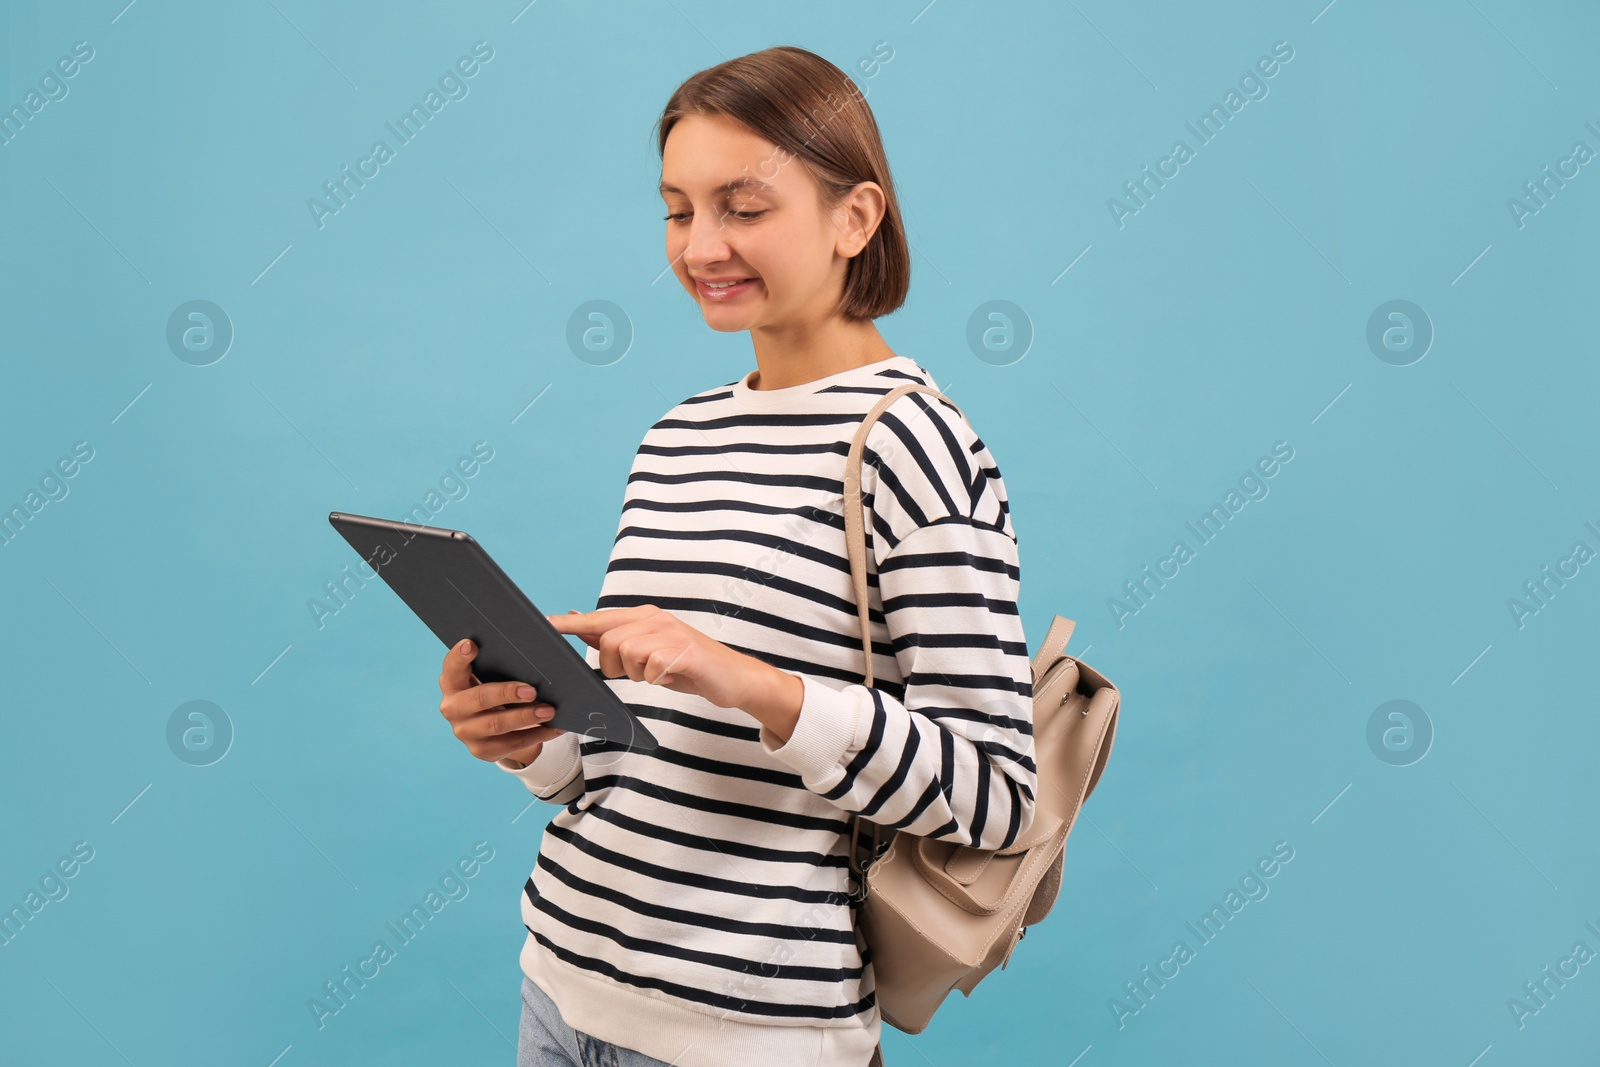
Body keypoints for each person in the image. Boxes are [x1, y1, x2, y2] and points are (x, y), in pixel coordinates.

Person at [436, 45, 1035, 1067]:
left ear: (855, 217)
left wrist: (752, 683)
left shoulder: (912, 442)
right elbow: (615, 757)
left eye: (742, 206)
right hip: (560, 984)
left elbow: (993, 791)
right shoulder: (676, 436)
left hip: (750, 1036)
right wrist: (527, 734)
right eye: (678, 209)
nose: (700, 244)